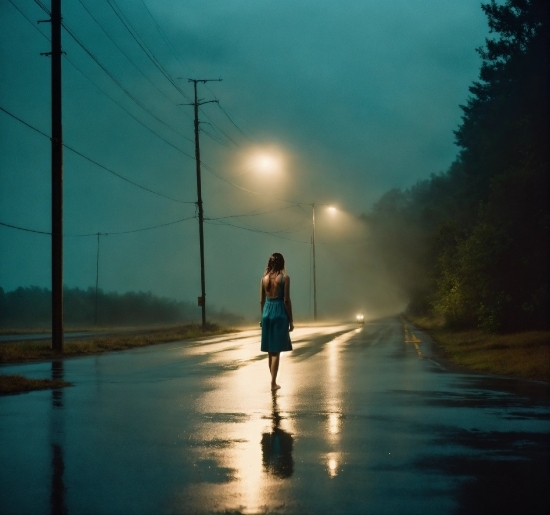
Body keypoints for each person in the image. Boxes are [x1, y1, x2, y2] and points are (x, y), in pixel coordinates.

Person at [260, 252, 294, 391]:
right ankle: (273, 383)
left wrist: (262, 317)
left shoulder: (263, 279)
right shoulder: (284, 278)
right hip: (279, 313)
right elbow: (286, 300)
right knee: (276, 352)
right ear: (282, 263)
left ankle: (273, 380)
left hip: (267, 313)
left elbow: (262, 300)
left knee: (270, 350)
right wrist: (291, 320)